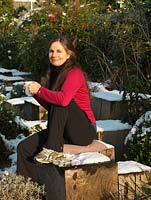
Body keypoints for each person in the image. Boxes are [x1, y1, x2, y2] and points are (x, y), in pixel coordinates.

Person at [17, 36, 107, 199]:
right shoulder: (54, 74)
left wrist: (40, 89)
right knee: (24, 148)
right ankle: (30, 194)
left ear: (69, 55)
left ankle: (52, 148)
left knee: (63, 100)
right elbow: (53, 105)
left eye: (59, 51)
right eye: (51, 51)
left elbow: (63, 101)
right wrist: (35, 93)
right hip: (61, 131)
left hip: (84, 131)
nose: (54, 54)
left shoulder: (75, 73)